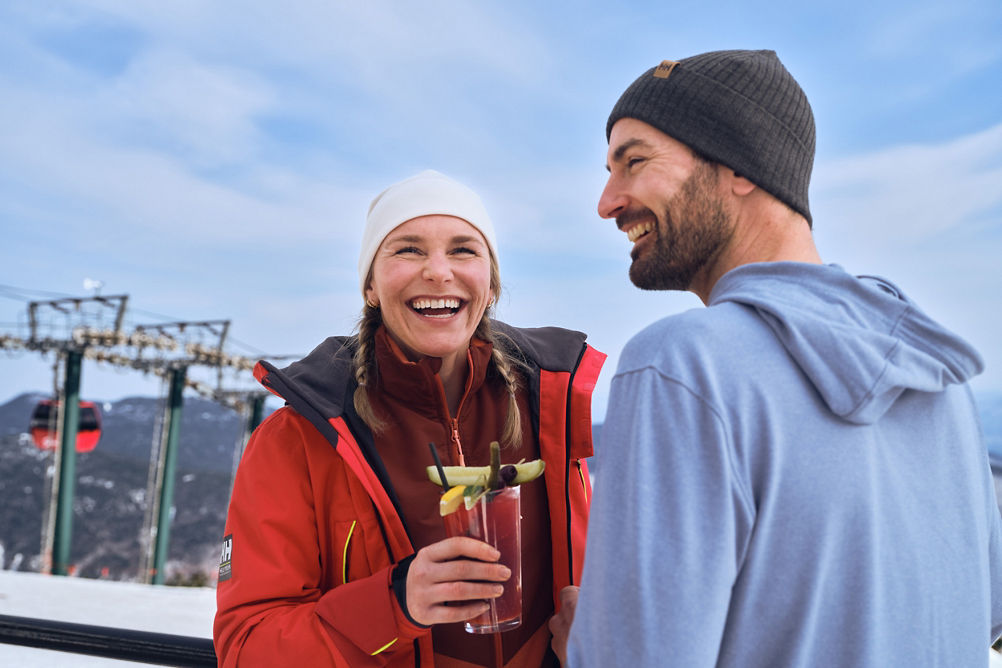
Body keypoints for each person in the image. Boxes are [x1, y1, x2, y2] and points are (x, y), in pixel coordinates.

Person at [550, 50, 1002, 666]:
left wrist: (586, 645)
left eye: (634, 161)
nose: (607, 201)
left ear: (737, 166)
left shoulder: (680, 367)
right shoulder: (932, 374)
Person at [214, 170, 605, 667]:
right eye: (407, 250)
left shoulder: (552, 406)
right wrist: (396, 604)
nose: (439, 272)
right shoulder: (299, 438)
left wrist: (599, 644)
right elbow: (246, 648)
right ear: (371, 287)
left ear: (491, 286)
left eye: (464, 250)